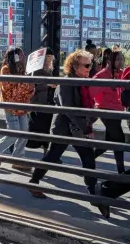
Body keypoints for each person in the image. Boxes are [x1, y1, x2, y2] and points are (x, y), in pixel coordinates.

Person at [29, 50, 98, 199]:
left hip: (77, 128)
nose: (89, 68)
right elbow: (68, 109)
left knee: (88, 159)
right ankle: (34, 181)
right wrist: (85, 126)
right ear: (74, 66)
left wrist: (91, 119)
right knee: (52, 156)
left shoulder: (83, 83)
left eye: (90, 64)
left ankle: (93, 192)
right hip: (64, 128)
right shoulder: (66, 83)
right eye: (86, 65)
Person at [0, 47, 35, 168]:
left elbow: (29, 92)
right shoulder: (6, 69)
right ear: (14, 57)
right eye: (20, 55)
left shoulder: (25, 71)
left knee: (24, 132)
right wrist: (19, 76)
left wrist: (31, 85)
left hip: (23, 106)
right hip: (11, 106)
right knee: (15, 132)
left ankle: (18, 158)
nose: (23, 58)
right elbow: (8, 88)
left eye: (23, 55)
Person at [92, 49, 126, 174]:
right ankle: (121, 172)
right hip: (105, 109)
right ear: (110, 61)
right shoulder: (102, 74)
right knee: (119, 139)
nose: (120, 61)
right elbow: (90, 92)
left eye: (122, 59)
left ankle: (88, 159)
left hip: (118, 110)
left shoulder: (123, 74)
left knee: (109, 142)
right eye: (117, 59)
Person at [27, 48, 56, 150]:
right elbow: (33, 84)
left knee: (45, 124)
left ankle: (45, 145)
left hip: (47, 100)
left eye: (50, 56)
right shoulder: (37, 69)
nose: (49, 58)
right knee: (37, 122)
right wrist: (47, 84)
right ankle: (34, 143)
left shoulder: (49, 68)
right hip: (37, 99)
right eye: (48, 56)